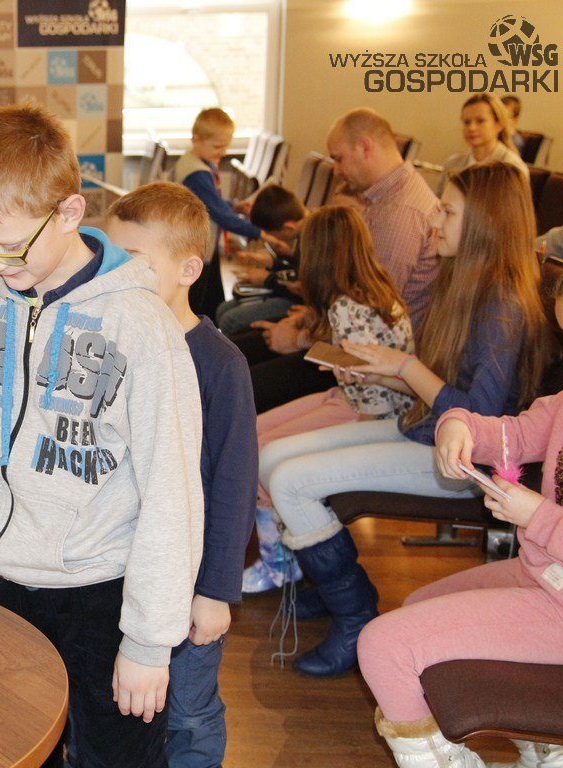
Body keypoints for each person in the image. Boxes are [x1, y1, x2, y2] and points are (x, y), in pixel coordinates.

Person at [0, 104, 205, 768]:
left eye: (8, 248)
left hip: (102, 593)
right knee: (12, 752)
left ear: (69, 213)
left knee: (117, 758)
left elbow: (173, 495)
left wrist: (148, 642)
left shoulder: (140, 327)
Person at [258, 162, 554, 678]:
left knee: (289, 480)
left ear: (483, 225)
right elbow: (441, 394)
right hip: (425, 430)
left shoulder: (502, 307)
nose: (434, 220)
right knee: (272, 457)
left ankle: (355, 616)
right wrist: (385, 372)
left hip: (463, 463)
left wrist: (404, 368)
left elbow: (480, 419)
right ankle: (326, 585)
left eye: (448, 211)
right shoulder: (465, 285)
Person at [357, 259, 563, 768]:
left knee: (384, 646)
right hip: (543, 575)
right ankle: (544, 747)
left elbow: (542, 517)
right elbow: (510, 434)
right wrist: (458, 424)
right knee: (417, 604)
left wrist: (537, 515)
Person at [105, 182, 257, 768]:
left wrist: (215, 591)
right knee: (119, 703)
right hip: (116, 572)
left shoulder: (221, 364)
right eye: (109, 258)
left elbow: (234, 488)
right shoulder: (107, 341)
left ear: (189, 270)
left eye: (134, 262)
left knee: (188, 712)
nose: (117, 275)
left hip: (189, 584)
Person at [241, 206, 414, 595]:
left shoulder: (348, 306)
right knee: (253, 434)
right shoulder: (370, 291)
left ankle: (278, 561)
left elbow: (369, 388)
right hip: (351, 398)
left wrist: (357, 437)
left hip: (365, 412)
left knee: (261, 449)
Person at [239, 108, 439, 415]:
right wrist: (310, 317)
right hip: (347, 337)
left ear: (365, 147)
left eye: (339, 158)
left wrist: (299, 339)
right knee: (243, 350)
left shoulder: (400, 213)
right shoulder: (385, 199)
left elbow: (368, 316)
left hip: (377, 375)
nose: (336, 170)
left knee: (246, 384)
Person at [171, 108, 287, 318]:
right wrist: (260, 234)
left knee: (212, 301)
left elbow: (210, 202)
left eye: (226, 146)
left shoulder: (194, 162)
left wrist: (233, 205)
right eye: (217, 147)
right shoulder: (197, 174)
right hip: (198, 249)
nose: (223, 152)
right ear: (196, 139)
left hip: (203, 247)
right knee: (198, 308)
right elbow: (220, 215)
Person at [214, 185, 307, 335]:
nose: (273, 238)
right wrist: (277, 261)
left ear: (288, 227)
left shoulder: (313, 239)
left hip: (299, 301)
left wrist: (267, 280)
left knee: (229, 320)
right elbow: (297, 270)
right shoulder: (303, 234)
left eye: (272, 233)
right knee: (222, 309)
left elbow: (305, 290)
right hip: (288, 293)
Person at [436, 94, 528, 195]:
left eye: (480, 121)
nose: (472, 128)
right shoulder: (452, 164)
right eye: (467, 122)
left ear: (499, 125)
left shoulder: (512, 168)